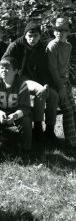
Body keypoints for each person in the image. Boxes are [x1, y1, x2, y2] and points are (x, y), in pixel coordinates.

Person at [2, 22, 59, 140]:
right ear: (25, 35)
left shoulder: (41, 48)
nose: (32, 39)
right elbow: (4, 63)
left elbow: (44, 69)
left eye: (36, 36)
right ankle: (37, 128)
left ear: (40, 36)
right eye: (30, 36)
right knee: (40, 91)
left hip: (35, 80)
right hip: (19, 80)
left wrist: (47, 83)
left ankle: (49, 129)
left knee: (53, 95)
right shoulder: (15, 46)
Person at [46, 18, 76, 149]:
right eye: (57, 30)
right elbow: (52, 70)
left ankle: (74, 138)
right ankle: (71, 144)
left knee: (74, 110)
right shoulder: (52, 46)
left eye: (63, 30)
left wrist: (67, 83)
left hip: (65, 83)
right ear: (54, 31)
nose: (60, 33)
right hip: (54, 84)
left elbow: (65, 67)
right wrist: (60, 87)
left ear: (68, 32)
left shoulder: (68, 46)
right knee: (68, 111)